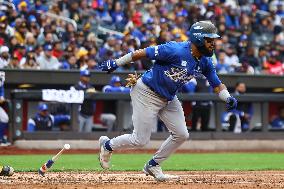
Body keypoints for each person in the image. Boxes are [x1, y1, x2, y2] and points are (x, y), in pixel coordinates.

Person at [98, 21, 237, 181]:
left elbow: (216, 84)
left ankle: (153, 164)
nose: (213, 43)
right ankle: (107, 145)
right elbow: (142, 53)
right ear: (198, 39)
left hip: (169, 97)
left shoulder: (205, 61)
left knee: (182, 134)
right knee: (140, 140)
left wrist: (227, 97)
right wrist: (116, 62)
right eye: (209, 39)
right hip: (146, 92)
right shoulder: (175, 49)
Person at [0, 71, 9, 146]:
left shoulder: (1, 86)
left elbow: (2, 97)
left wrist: (2, 99)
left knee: (5, 118)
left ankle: (0, 138)